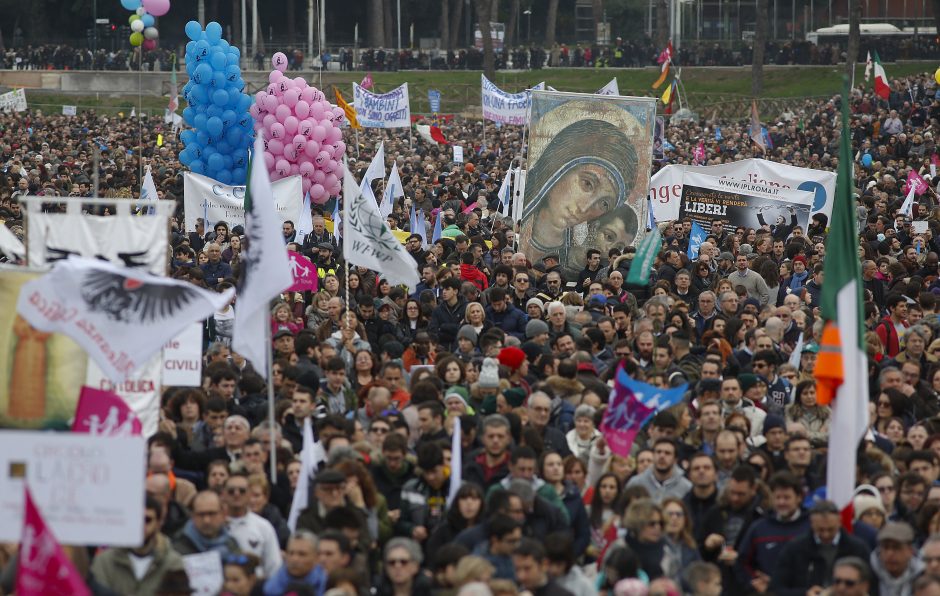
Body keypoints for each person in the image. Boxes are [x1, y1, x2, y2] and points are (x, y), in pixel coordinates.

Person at [771, 500, 873, 595]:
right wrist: (804, 593)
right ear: (811, 523)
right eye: (820, 530)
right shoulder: (794, 549)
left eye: (830, 530)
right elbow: (777, 588)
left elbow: (871, 585)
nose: (826, 535)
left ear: (839, 522)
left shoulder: (858, 549)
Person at [91, 496, 186, 595]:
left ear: (159, 523)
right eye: (135, 519)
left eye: (147, 520)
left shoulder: (174, 563)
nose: (140, 525)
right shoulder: (104, 561)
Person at [222, 471, 283, 579]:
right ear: (224, 494)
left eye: (242, 491)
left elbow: (274, 568)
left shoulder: (264, 527)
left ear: (249, 494)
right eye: (231, 491)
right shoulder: (215, 526)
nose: (237, 494)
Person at [172, 490, 242, 558]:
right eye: (201, 515)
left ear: (223, 514)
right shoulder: (177, 550)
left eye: (211, 514)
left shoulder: (232, 545)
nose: (206, 520)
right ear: (193, 516)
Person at [262, 531, 327, 595]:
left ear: (316, 558)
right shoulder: (267, 588)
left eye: (302, 554)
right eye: (291, 553)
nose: (294, 559)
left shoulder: (327, 586)